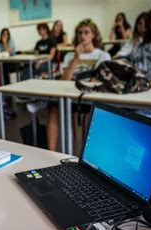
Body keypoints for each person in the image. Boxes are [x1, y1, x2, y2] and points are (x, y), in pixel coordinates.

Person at [46, 19, 110, 151]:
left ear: (93, 35)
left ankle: (87, 153)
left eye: (87, 32)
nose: (83, 36)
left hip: (91, 96)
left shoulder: (103, 55)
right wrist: (75, 59)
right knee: (53, 108)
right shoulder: (70, 56)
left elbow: (99, 80)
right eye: (80, 33)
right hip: (70, 95)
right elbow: (64, 81)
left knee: (96, 113)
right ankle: (50, 151)